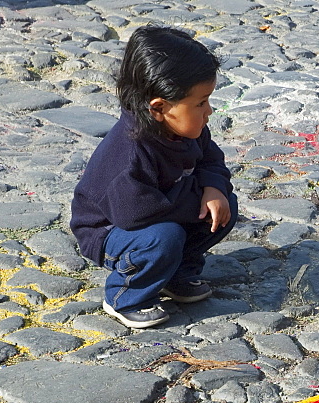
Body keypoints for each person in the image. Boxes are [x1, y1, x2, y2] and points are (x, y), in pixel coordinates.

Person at [70, 25, 236, 328]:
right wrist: (195, 201)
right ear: (159, 108)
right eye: (200, 103)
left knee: (225, 205)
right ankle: (126, 296)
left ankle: (176, 273)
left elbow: (211, 159)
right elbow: (135, 214)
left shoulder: (187, 130)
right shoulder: (130, 153)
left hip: (168, 210)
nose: (209, 111)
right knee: (164, 238)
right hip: (112, 229)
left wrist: (213, 188)